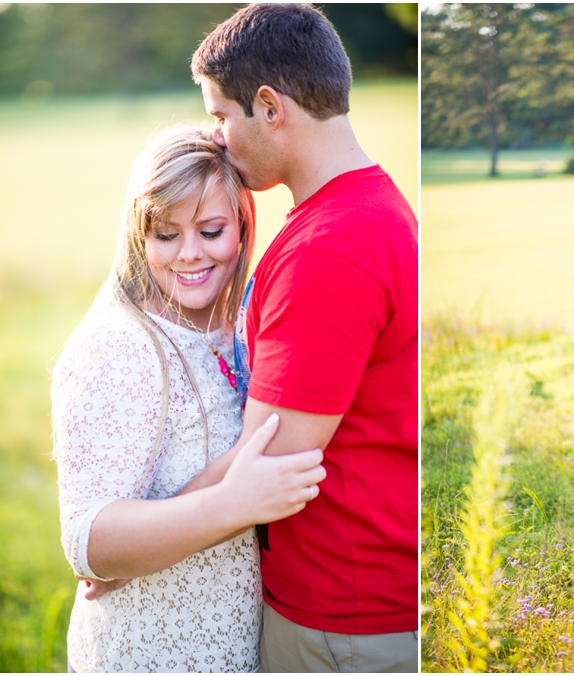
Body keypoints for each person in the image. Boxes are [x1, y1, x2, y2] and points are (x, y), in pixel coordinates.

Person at [181, 4, 418, 672]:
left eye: (221, 113)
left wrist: (133, 545)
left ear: (269, 106)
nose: (216, 134)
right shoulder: (369, 208)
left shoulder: (331, 248)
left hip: (341, 624)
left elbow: (268, 460)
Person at [52, 126, 326, 673]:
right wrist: (233, 504)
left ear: (244, 226)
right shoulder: (120, 344)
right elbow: (88, 544)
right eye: (166, 234)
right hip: (150, 654)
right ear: (139, 234)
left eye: (211, 230)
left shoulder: (239, 326)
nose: (190, 255)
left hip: (237, 647)